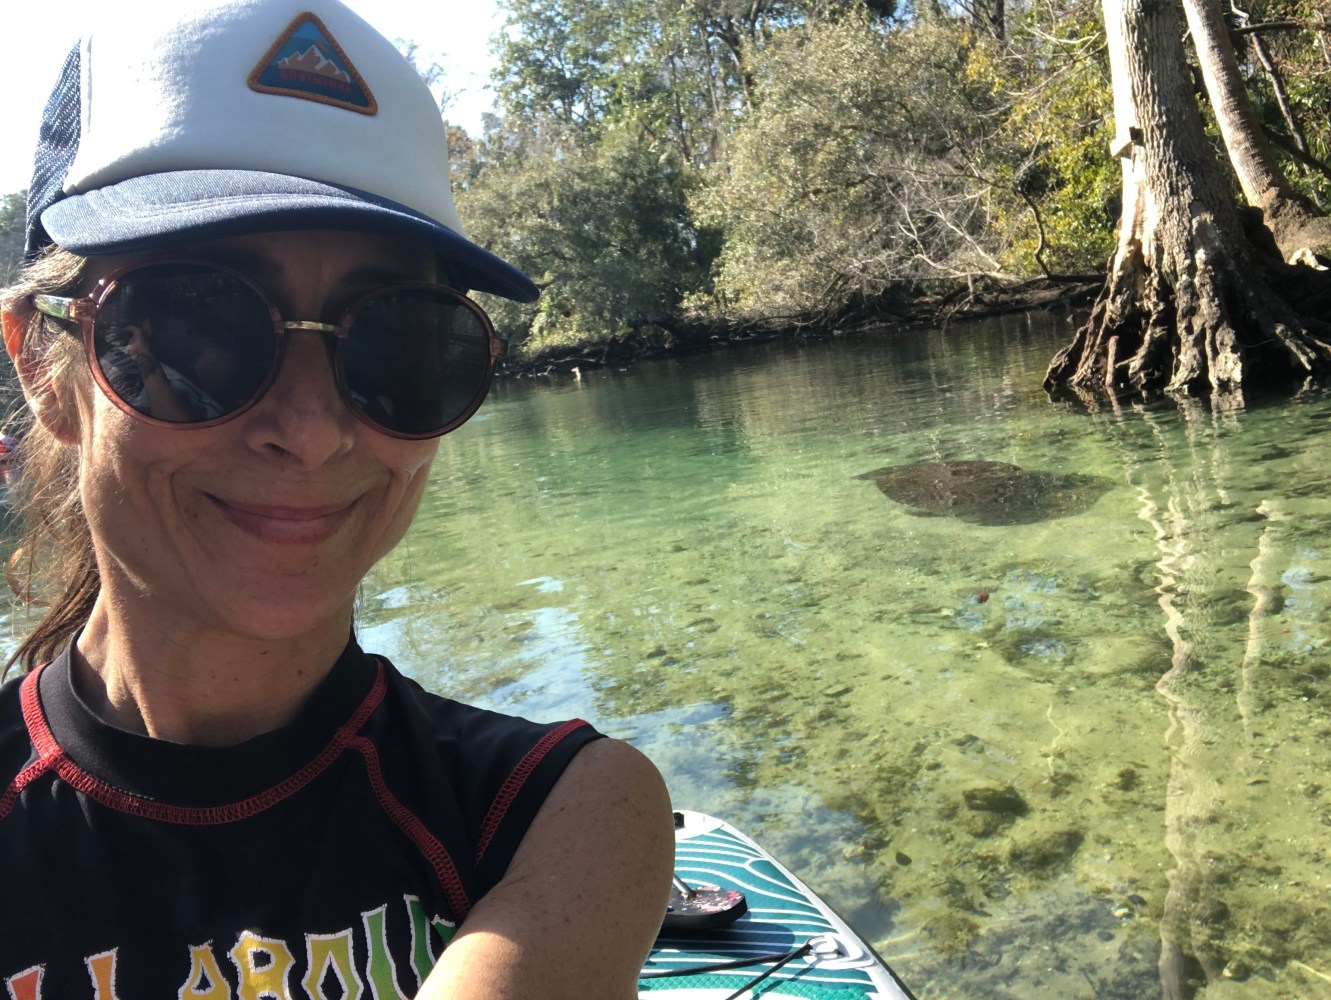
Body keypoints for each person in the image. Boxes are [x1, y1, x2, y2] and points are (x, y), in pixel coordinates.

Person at [0, 1, 674, 997]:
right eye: (197, 327)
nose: (309, 430)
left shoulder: (559, 814)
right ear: (44, 372)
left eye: (399, 342)